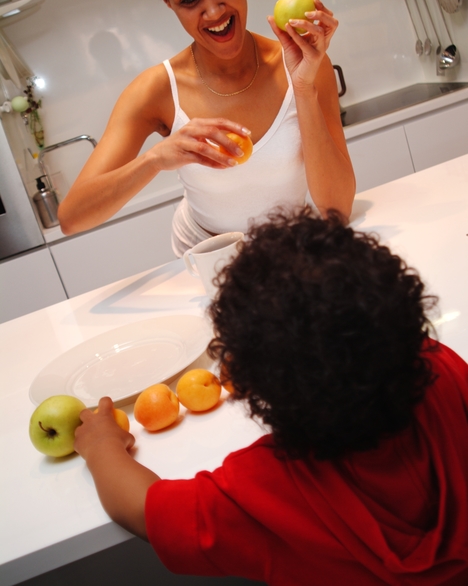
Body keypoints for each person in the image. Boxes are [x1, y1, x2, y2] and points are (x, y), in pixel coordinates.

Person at [75, 207, 468, 586]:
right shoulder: (445, 373)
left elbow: (144, 512)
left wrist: (100, 446)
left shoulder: (264, 490)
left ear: (247, 381)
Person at [58, 0, 355, 256]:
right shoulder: (157, 90)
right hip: (208, 258)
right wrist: (156, 159)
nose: (214, 12)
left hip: (293, 248)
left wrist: (304, 86)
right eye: (189, 0)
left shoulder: (303, 64)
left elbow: (337, 210)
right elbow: (72, 217)